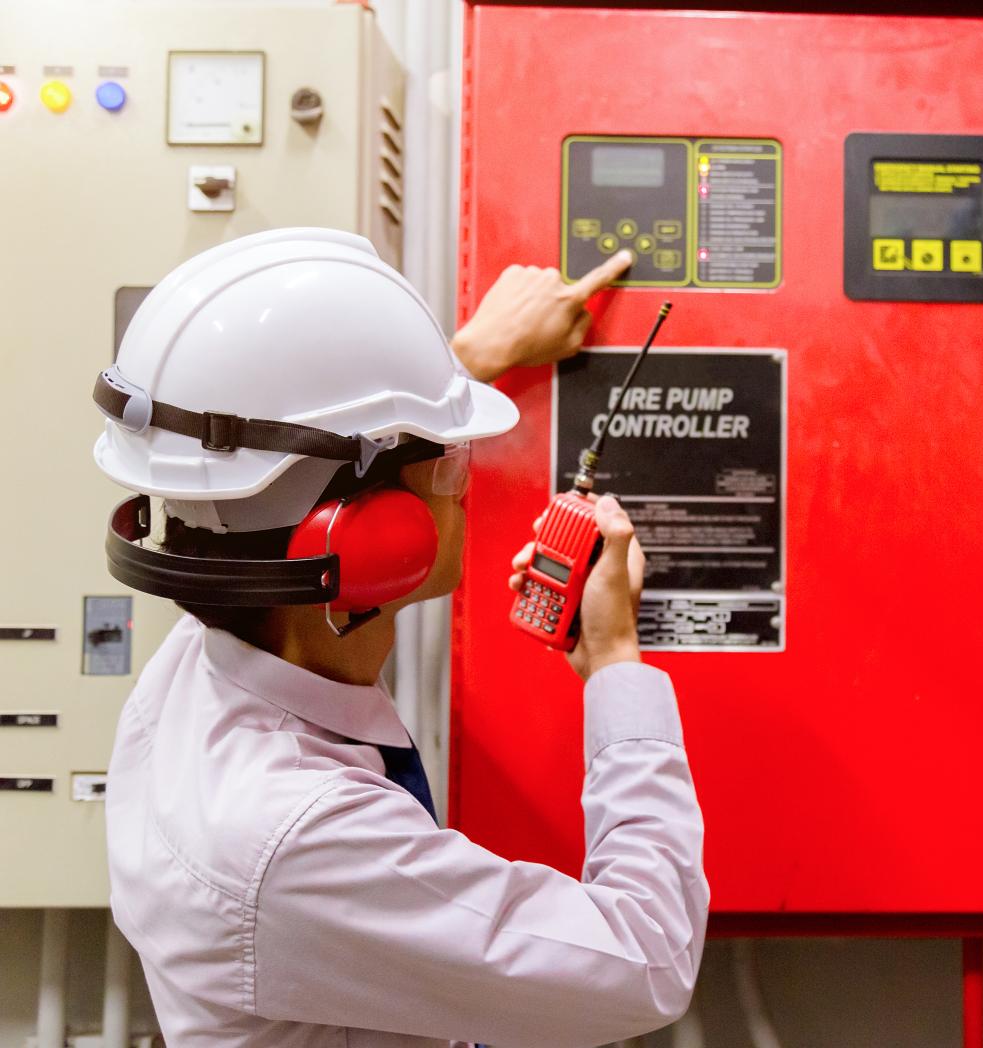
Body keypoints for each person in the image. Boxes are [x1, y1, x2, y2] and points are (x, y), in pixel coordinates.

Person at [91, 228, 707, 1047]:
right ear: (376, 536)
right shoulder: (302, 835)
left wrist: (470, 356)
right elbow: (647, 962)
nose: (466, 475)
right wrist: (616, 664)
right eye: (450, 459)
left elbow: (292, 463)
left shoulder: (193, 674)